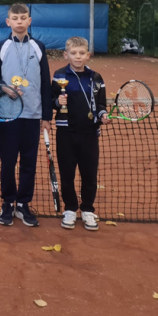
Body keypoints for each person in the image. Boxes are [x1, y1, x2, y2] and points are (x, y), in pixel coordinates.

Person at [0, 3, 53, 228]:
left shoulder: (39, 46)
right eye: (15, 18)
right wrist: (3, 88)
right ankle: (8, 202)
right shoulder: (2, 46)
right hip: (8, 114)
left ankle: (23, 204)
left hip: (33, 115)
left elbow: (46, 82)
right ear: (8, 22)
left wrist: (46, 116)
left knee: (29, 162)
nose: (19, 22)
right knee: (7, 161)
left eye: (23, 18)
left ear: (29, 21)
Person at [52, 36, 108, 231]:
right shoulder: (59, 75)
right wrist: (58, 102)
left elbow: (101, 104)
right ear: (66, 55)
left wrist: (102, 114)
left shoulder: (96, 78)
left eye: (81, 53)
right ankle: (70, 208)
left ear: (88, 55)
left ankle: (87, 209)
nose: (78, 57)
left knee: (89, 174)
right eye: (73, 53)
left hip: (89, 133)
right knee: (67, 173)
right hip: (65, 133)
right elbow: (51, 101)